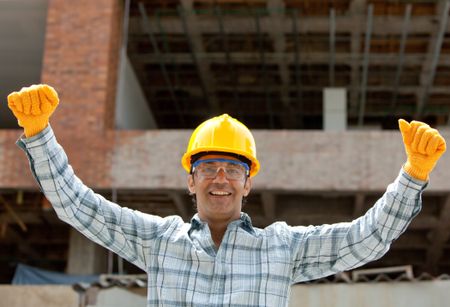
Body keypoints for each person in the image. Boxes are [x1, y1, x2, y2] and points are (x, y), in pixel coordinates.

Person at [7, 84, 446, 306]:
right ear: (190, 180)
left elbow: (363, 239)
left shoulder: (282, 248)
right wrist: (39, 134)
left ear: (248, 182)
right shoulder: (159, 242)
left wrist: (413, 174)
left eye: (233, 168)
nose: (221, 177)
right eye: (209, 167)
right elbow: (77, 206)